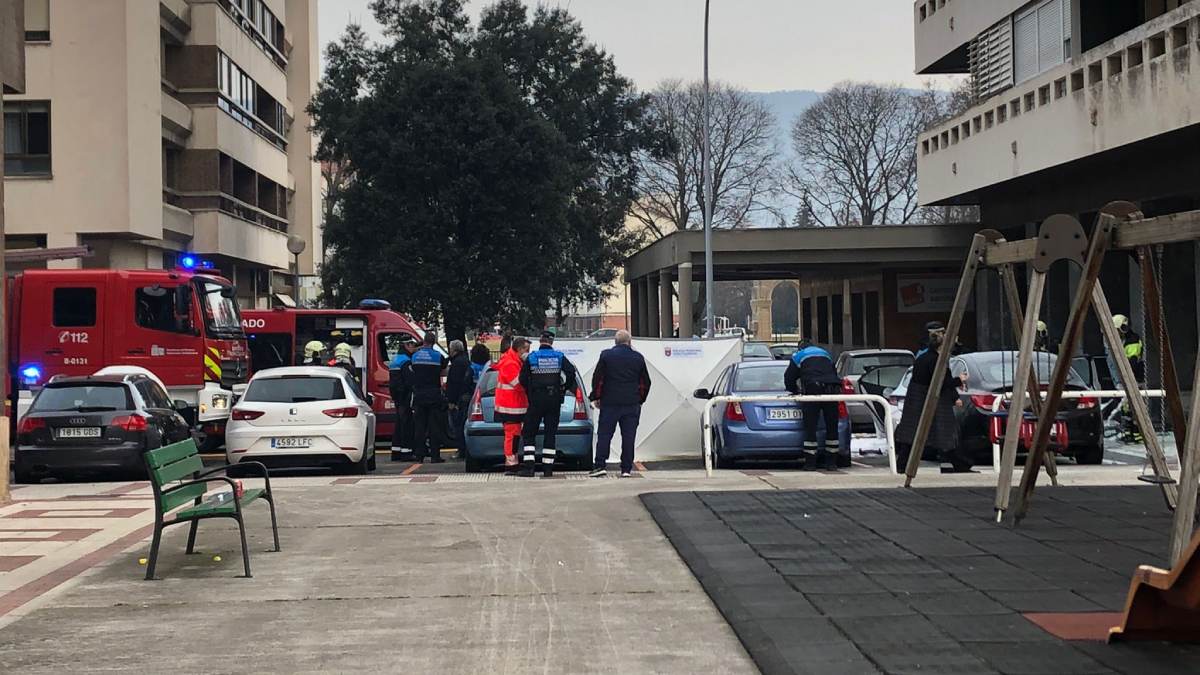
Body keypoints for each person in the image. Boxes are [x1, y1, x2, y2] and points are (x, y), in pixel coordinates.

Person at [895, 321, 972, 473]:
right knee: (945, 433)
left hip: (918, 399)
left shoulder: (923, 357)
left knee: (914, 434)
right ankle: (961, 463)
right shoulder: (936, 359)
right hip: (931, 400)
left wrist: (954, 395)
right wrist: (959, 380)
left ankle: (902, 464)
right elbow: (941, 381)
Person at [589, 330, 651, 478]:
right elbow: (646, 382)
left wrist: (596, 397)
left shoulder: (606, 356)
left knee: (604, 435)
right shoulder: (638, 358)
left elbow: (598, 379)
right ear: (629, 342)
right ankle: (626, 469)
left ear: (615, 342)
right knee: (629, 437)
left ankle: (600, 466)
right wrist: (640, 399)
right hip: (631, 404)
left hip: (609, 403)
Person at [518, 331, 578, 478]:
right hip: (554, 399)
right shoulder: (559, 356)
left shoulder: (532, 357)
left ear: (540, 341)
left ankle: (529, 468)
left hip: (536, 399)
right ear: (551, 342)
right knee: (550, 433)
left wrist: (530, 392)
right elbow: (571, 372)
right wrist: (563, 388)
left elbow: (522, 378)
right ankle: (548, 469)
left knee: (529, 432)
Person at [783, 339, 843, 471]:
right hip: (832, 389)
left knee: (810, 427)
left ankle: (810, 463)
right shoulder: (825, 353)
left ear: (800, 348)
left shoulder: (799, 355)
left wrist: (794, 391)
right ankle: (831, 463)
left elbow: (789, 377)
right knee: (832, 426)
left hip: (812, 390)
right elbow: (833, 372)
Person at [409, 333, 449, 463]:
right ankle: (435, 456)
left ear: (424, 341)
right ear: (434, 342)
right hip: (433, 394)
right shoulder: (438, 356)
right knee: (434, 426)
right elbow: (443, 371)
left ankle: (419, 455)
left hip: (419, 394)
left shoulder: (415, 356)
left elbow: (412, 371)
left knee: (420, 427)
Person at [494, 337, 531, 473]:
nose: (528, 353)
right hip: (510, 406)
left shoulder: (514, 361)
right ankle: (511, 464)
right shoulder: (510, 363)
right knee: (512, 435)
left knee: (514, 435)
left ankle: (512, 461)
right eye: (526, 350)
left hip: (513, 405)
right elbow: (518, 384)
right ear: (520, 349)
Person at [388, 336, 418, 461]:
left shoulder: (395, 360)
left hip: (397, 396)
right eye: (413, 345)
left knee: (399, 423)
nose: (414, 348)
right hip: (405, 396)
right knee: (407, 423)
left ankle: (396, 451)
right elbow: (410, 381)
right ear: (407, 345)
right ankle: (406, 452)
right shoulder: (406, 361)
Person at [445, 340, 475, 461]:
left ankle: (461, 450)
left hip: (459, 399)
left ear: (454, 350)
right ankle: (464, 450)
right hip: (466, 397)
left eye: (450, 349)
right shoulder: (466, 361)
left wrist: (452, 401)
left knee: (458, 425)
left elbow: (454, 383)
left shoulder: (457, 363)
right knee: (462, 424)